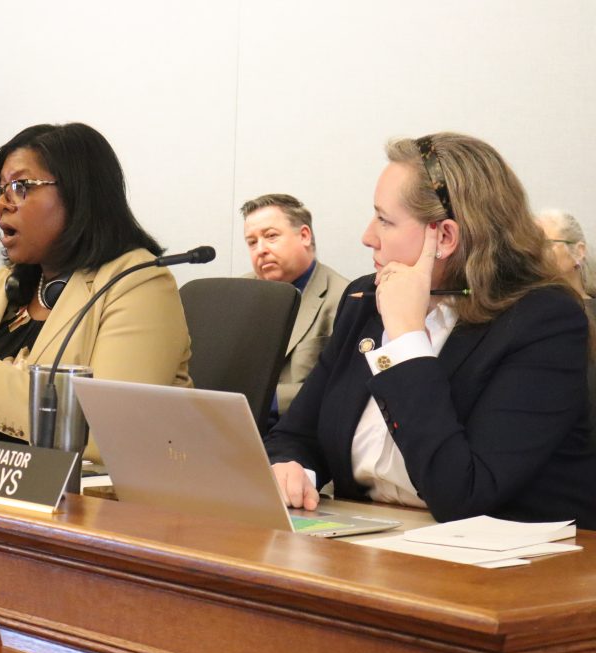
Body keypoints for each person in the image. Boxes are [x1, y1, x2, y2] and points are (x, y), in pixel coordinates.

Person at [265, 133, 595, 528]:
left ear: (445, 237)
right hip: (371, 543)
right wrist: (292, 467)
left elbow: (464, 495)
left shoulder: (543, 321)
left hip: (508, 569)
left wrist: (405, 341)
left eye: (385, 220)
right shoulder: (365, 299)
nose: (368, 236)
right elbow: (295, 435)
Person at [0, 123, 191, 453]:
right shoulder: (4, 286)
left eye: (21, 186)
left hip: (95, 497)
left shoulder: (137, 283)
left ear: (80, 193)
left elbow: (112, 432)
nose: (2, 204)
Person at [240, 193, 348, 425]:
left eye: (271, 236)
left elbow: (342, 386)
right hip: (236, 424)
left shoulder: (342, 298)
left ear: (304, 236)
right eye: (252, 242)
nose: (261, 249)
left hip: (302, 432)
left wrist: (267, 401)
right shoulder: (239, 293)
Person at [536, 209, 596, 299]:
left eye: (547, 244)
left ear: (578, 252)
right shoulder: (525, 306)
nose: (536, 252)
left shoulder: (590, 311)